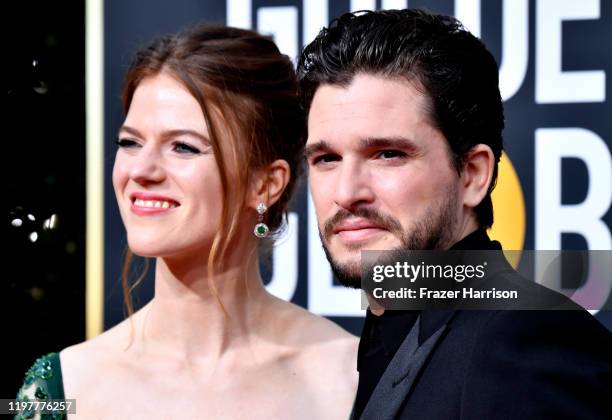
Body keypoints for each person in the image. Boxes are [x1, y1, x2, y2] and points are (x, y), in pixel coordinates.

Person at [15, 24, 357, 419]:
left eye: (183, 147)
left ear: (265, 184)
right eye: (130, 142)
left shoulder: (348, 377)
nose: (140, 170)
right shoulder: (60, 387)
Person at [297, 9, 612, 420]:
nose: (346, 193)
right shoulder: (391, 334)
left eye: (387, 154)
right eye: (326, 158)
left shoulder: (523, 340)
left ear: (473, 174)